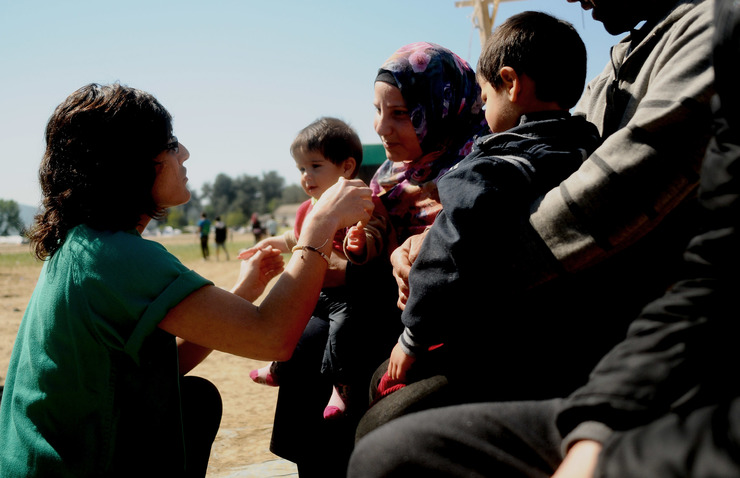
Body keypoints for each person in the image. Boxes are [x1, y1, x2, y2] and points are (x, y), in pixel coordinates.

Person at [348, 1, 733, 475]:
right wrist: (428, 242)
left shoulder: (709, 33)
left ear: (509, 84)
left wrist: (441, 282)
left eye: (400, 113)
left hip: (571, 331)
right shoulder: (600, 89)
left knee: (383, 432)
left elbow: (605, 200)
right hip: (561, 323)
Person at [0, 83, 373, 478]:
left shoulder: (90, 244)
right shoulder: (118, 255)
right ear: (134, 161)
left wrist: (244, 291)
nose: (185, 154)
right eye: (172, 144)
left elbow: (160, 368)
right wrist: (320, 225)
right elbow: (273, 337)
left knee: (195, 401)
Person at [268, 42, 490, 477]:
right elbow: (365, 248)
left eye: (401, 114)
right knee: (304, 339)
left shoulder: (478, 173)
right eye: (377, 110)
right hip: (372, 311)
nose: (382, 127)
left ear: (443, 108)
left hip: (431, 332)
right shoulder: (389, 178)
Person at [381, 10, 600, 394]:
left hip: (491, 337)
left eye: (485, 97)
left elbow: (450, 246)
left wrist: (411, 337)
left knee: (380, 398)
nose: (483, 110)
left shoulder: (492, 169)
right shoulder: (586, 145)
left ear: (510, 83)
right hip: (570, 329)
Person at [245, 116, 388, 420]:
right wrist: (265, 243)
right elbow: (294, 237)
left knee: (341, 333)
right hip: (317, 289)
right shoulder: (309, 208)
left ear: (347, 167)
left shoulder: (361, 199)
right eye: (301, 168)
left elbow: (377, 232)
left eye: (315, 166)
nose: (306, 176)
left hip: (348, 294)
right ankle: (280, 366)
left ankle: (342, 385)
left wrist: (359, 242)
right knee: (292, 317)